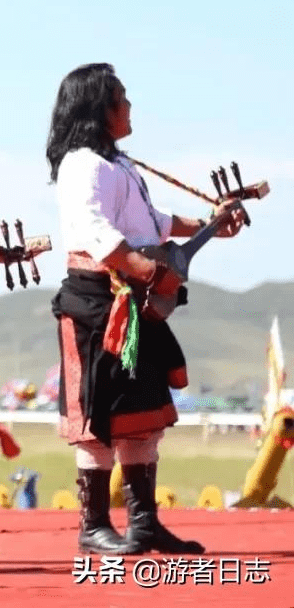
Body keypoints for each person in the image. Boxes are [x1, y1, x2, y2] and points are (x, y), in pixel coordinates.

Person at [45, 62, 245, 556]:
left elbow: (150, 222)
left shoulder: (120, 165)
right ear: (99, 108)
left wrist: (208, 223)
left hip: (136, 297)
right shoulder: (82, 164)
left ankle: (144, 524)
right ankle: (93, 527)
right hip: (97, 300)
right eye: (123, 98)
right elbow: (97, 235)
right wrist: (149, 271)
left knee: (141, 413)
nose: (130, 107)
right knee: (98, 414)